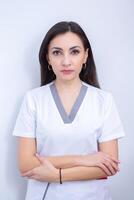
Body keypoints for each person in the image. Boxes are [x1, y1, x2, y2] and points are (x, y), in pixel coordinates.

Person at [12, 21, 125, 200]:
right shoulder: (33, 100)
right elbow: (26, 165)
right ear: (48, 58)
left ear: (86, 56)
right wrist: (84, 159)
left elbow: (109, 165)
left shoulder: (104, 101)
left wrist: (57, 176)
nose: (66, 61)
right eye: (57, 52)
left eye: (74, 51)